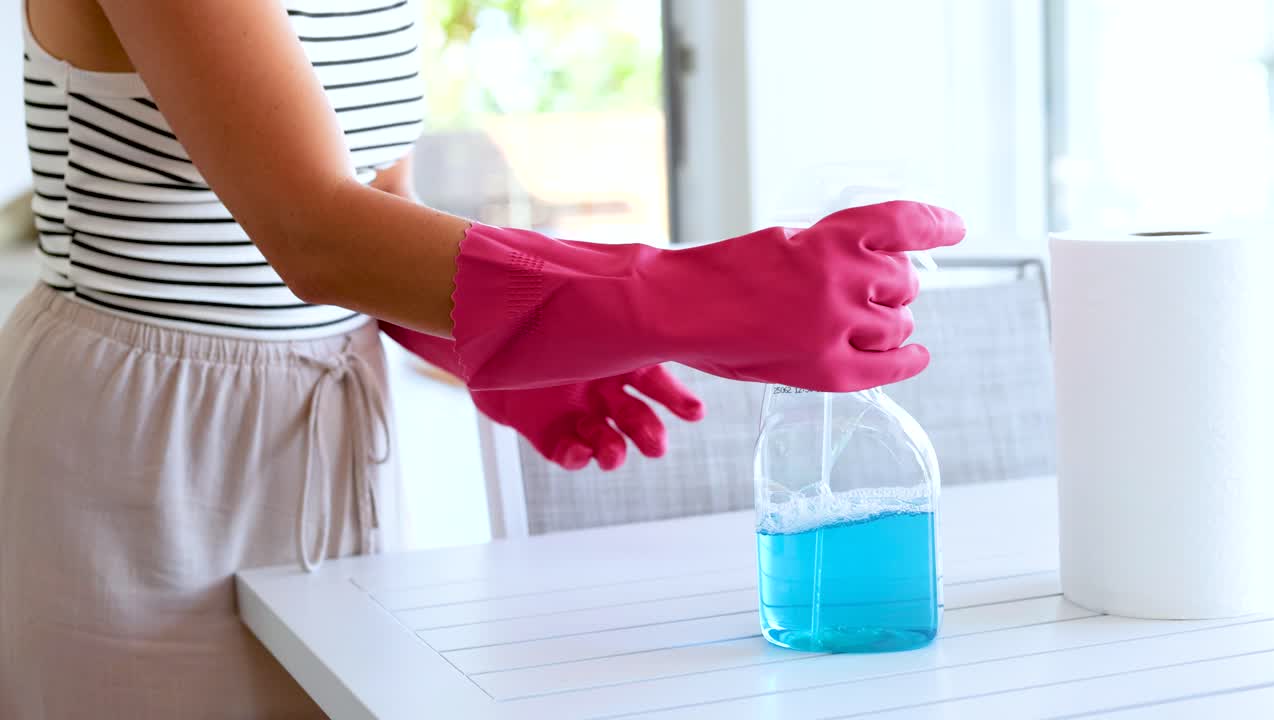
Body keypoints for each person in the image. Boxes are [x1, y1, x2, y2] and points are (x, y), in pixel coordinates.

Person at [0, 0, 964, 716]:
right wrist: (687, 298)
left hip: (329, 411)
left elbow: (373, 200)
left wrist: (494, 340)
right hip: (144, 451)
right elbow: (313, 235)